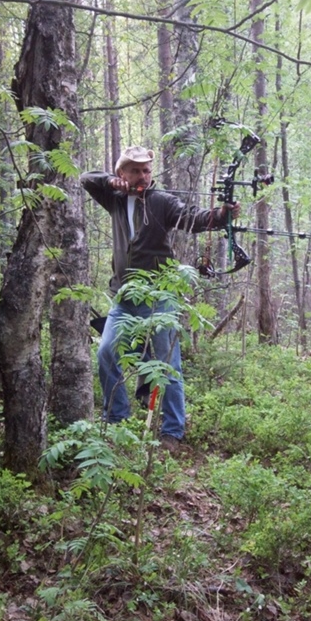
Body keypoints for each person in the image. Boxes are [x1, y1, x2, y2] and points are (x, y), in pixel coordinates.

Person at [80, 145, 240, 452]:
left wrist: (222, 215)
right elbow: (86, 178)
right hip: (124, 295)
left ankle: (172, 431)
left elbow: (192, 218)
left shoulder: (161, 201)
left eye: (147, 170)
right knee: (106, 353)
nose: (143, 176)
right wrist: (112, 184)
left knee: (167, 364)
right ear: (122, 173)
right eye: (136, 171)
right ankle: (116, 421)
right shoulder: (113, 198)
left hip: (160, 294)